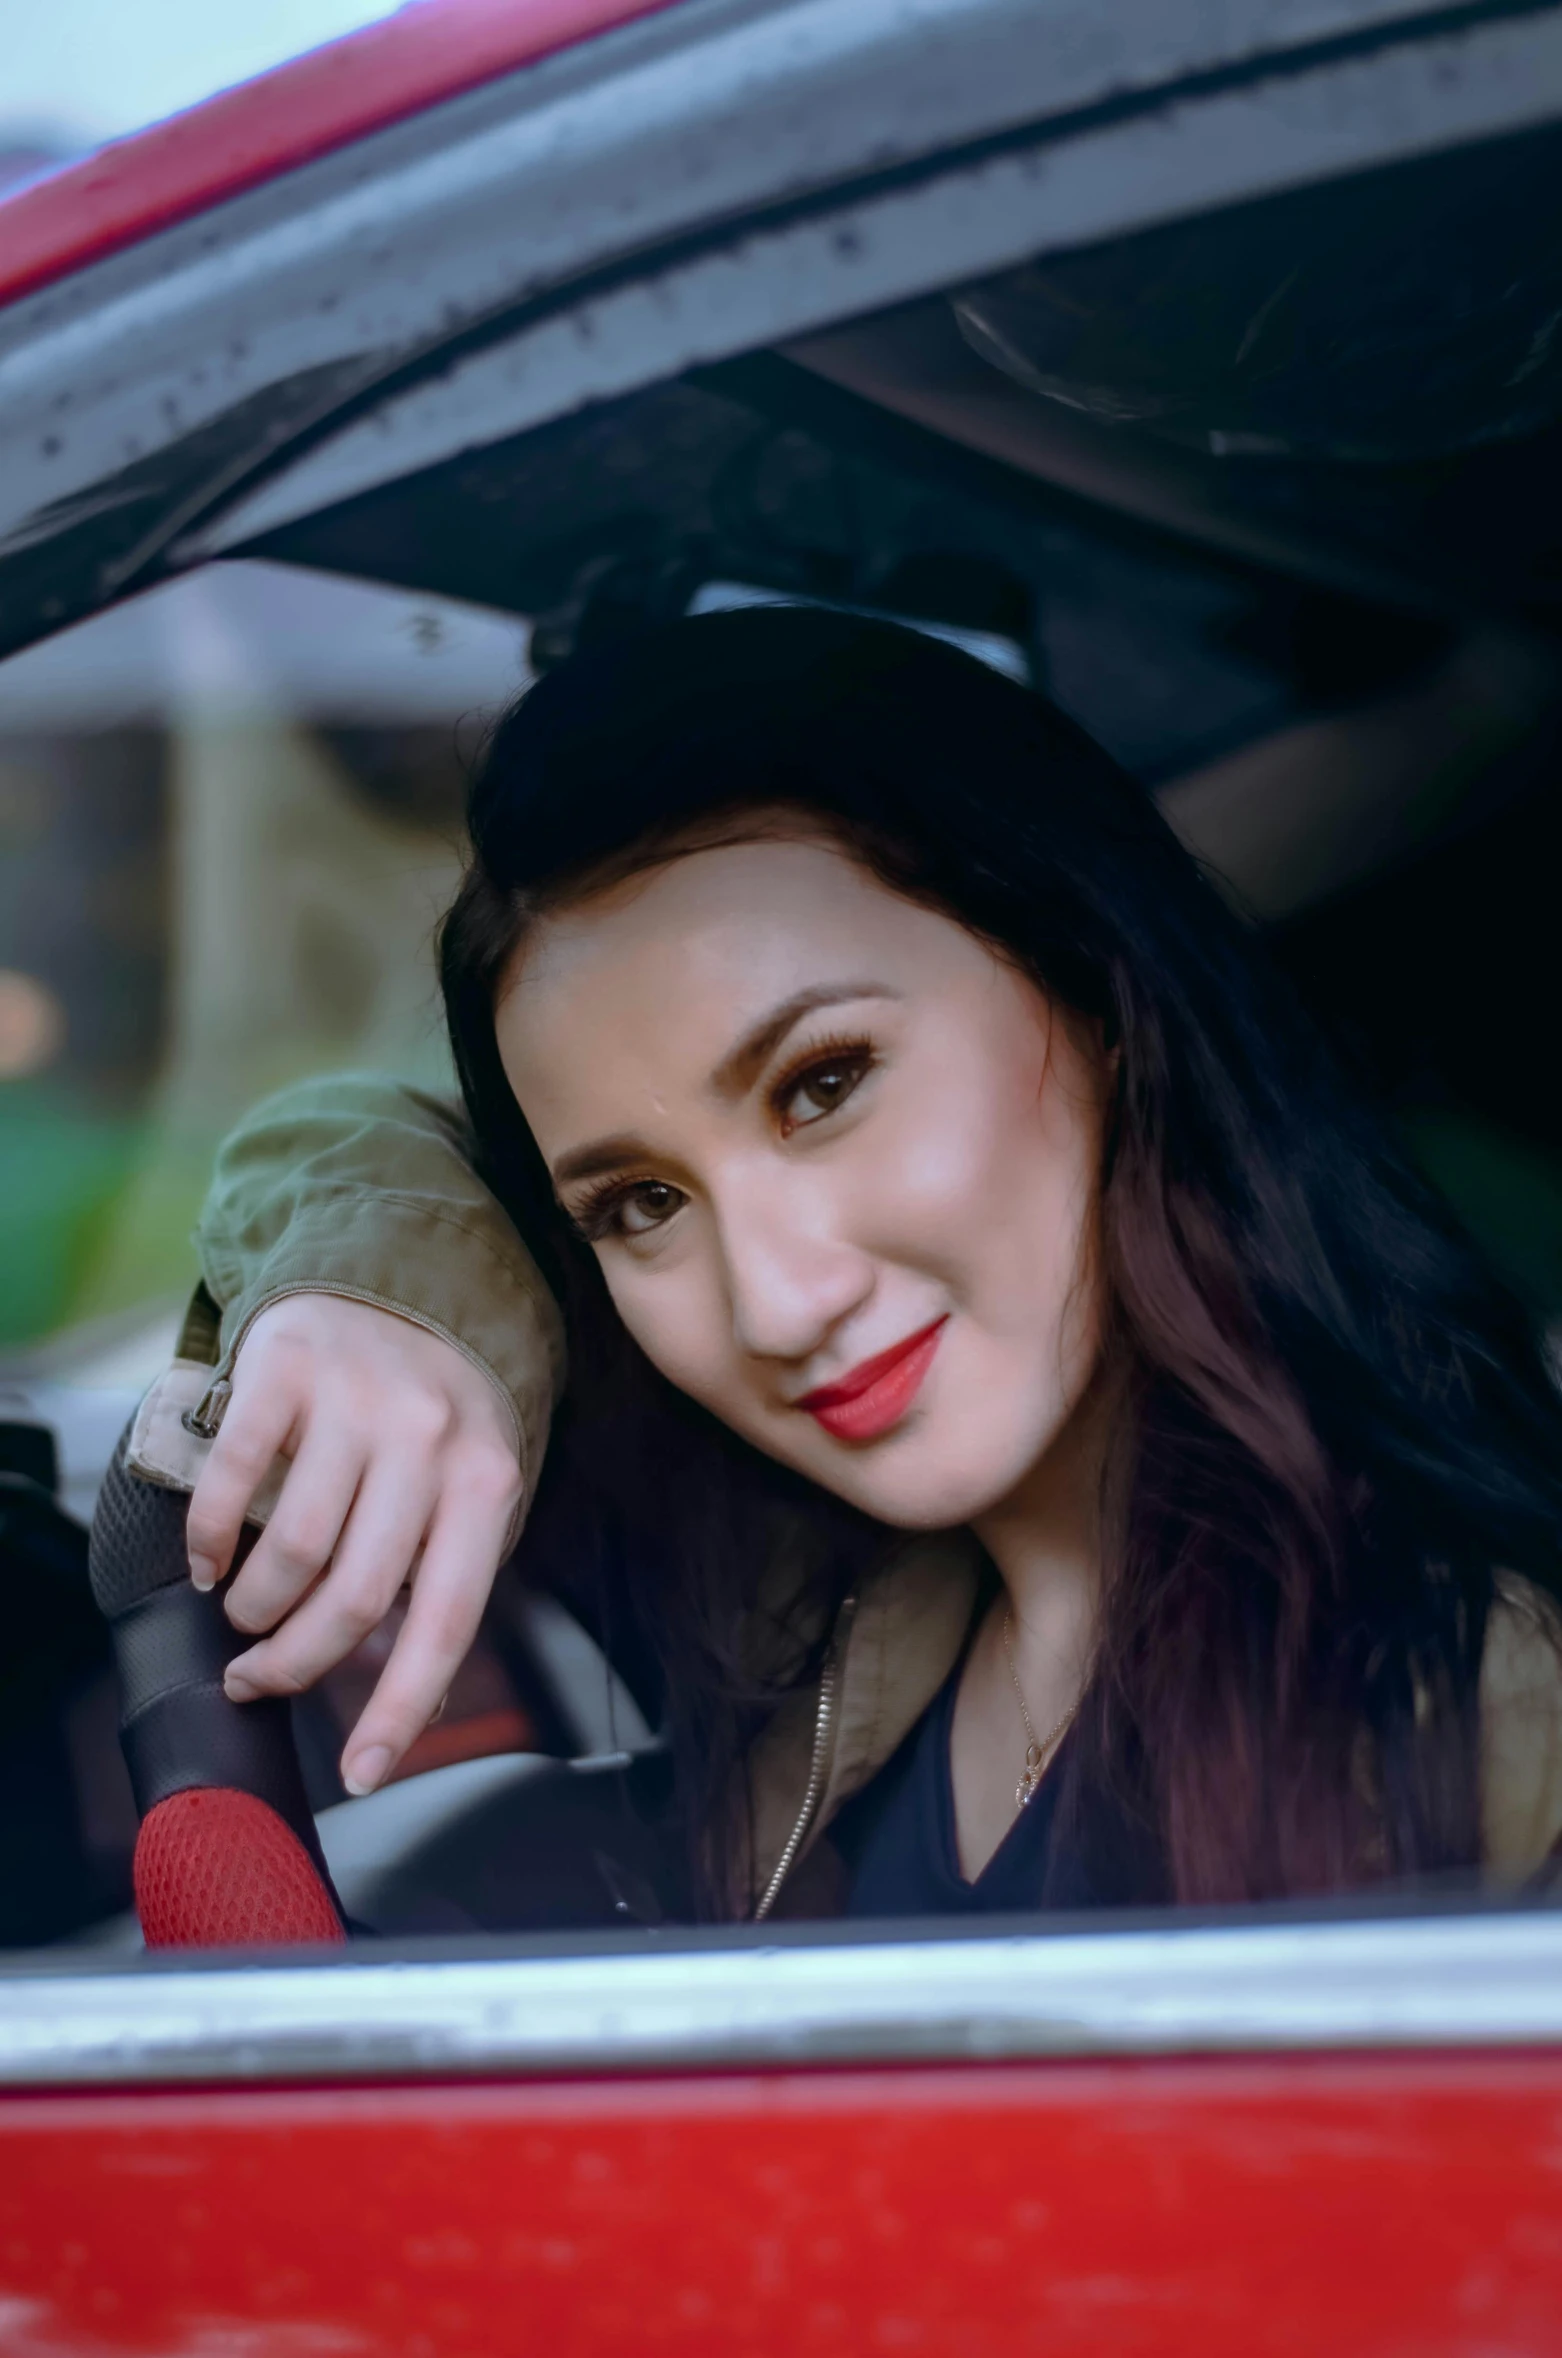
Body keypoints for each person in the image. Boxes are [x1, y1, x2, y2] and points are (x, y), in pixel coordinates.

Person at [154, 608, 1562, 1920]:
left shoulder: (1493, 1701)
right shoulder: (798, 1621)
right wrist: (390, 1300)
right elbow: (363, 1133)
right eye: (641, 1202)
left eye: (822, 1085)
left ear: (1098, 995)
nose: (774, 1301)